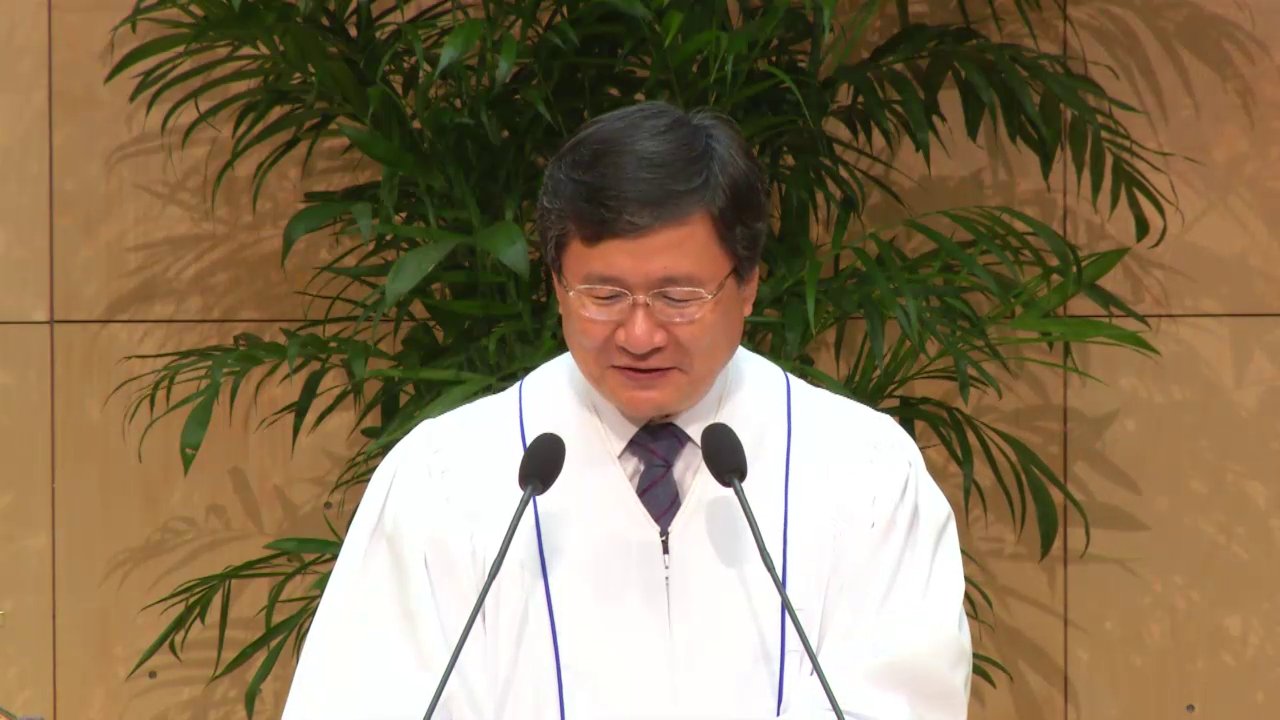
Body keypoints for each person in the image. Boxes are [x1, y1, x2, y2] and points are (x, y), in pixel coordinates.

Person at [282, 102, 972, 719]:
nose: (640, 335)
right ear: (556, 286)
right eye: (604, 296)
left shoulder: (864, 474)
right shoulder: (445, 479)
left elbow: (902, 702)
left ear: (748, 285)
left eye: (678, 298)